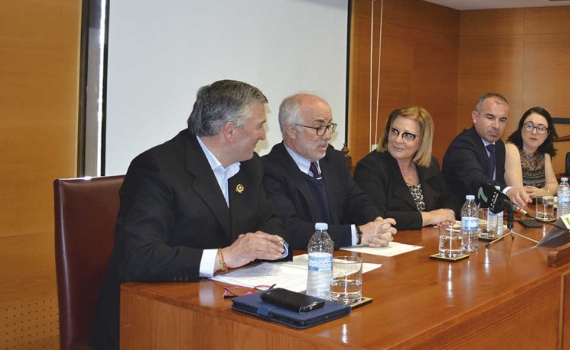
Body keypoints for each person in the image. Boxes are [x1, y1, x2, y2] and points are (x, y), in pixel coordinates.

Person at [89, 80, 289, 350]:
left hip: (223, 307)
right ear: (229, 130)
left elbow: (272, 223)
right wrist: (223, 257)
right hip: (151, 319)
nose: (264, 135)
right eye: (259, 125)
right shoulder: (157, 168)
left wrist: (273, 245)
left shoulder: (250, 166)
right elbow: (136, 256)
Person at [262, 93, 396, 249]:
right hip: (300, 258)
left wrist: (378, 225)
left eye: (328, 126)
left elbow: (358, 202)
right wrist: (357, 235)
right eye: (319, 128)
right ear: (291, 130)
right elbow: (289, 229)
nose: (327, 136)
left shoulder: (334, 160)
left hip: (339, 256)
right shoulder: (268, 169)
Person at [354, 106, 455, 230]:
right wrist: (428, 217)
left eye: (408, 135)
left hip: (426, 238)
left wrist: (446, 216)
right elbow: (377, 217)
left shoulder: (429, 164)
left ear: (423, 140)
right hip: (391, 240)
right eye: (394, 131)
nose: (398, 140)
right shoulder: (370, 167)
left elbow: (449, 199)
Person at [442, 93, 530, 210]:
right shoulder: (463, 144)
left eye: (502, 120)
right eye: (490, 118)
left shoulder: (498, 145)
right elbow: (477, 180)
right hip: (460, 216)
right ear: (475, 117)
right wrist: (507, 191)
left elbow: (496, 181)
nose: (497, 126)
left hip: (487, 216)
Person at [505, 107, 559, 199]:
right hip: (516, 206)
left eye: (541, 128)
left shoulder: (543, 154)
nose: (534, 132)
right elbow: (519, 193)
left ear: (547, 133)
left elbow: (553, 185)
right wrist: (546, 192)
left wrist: (542, 192)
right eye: (530, 126)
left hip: (535, 206)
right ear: (521, 127)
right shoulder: (511, 149)